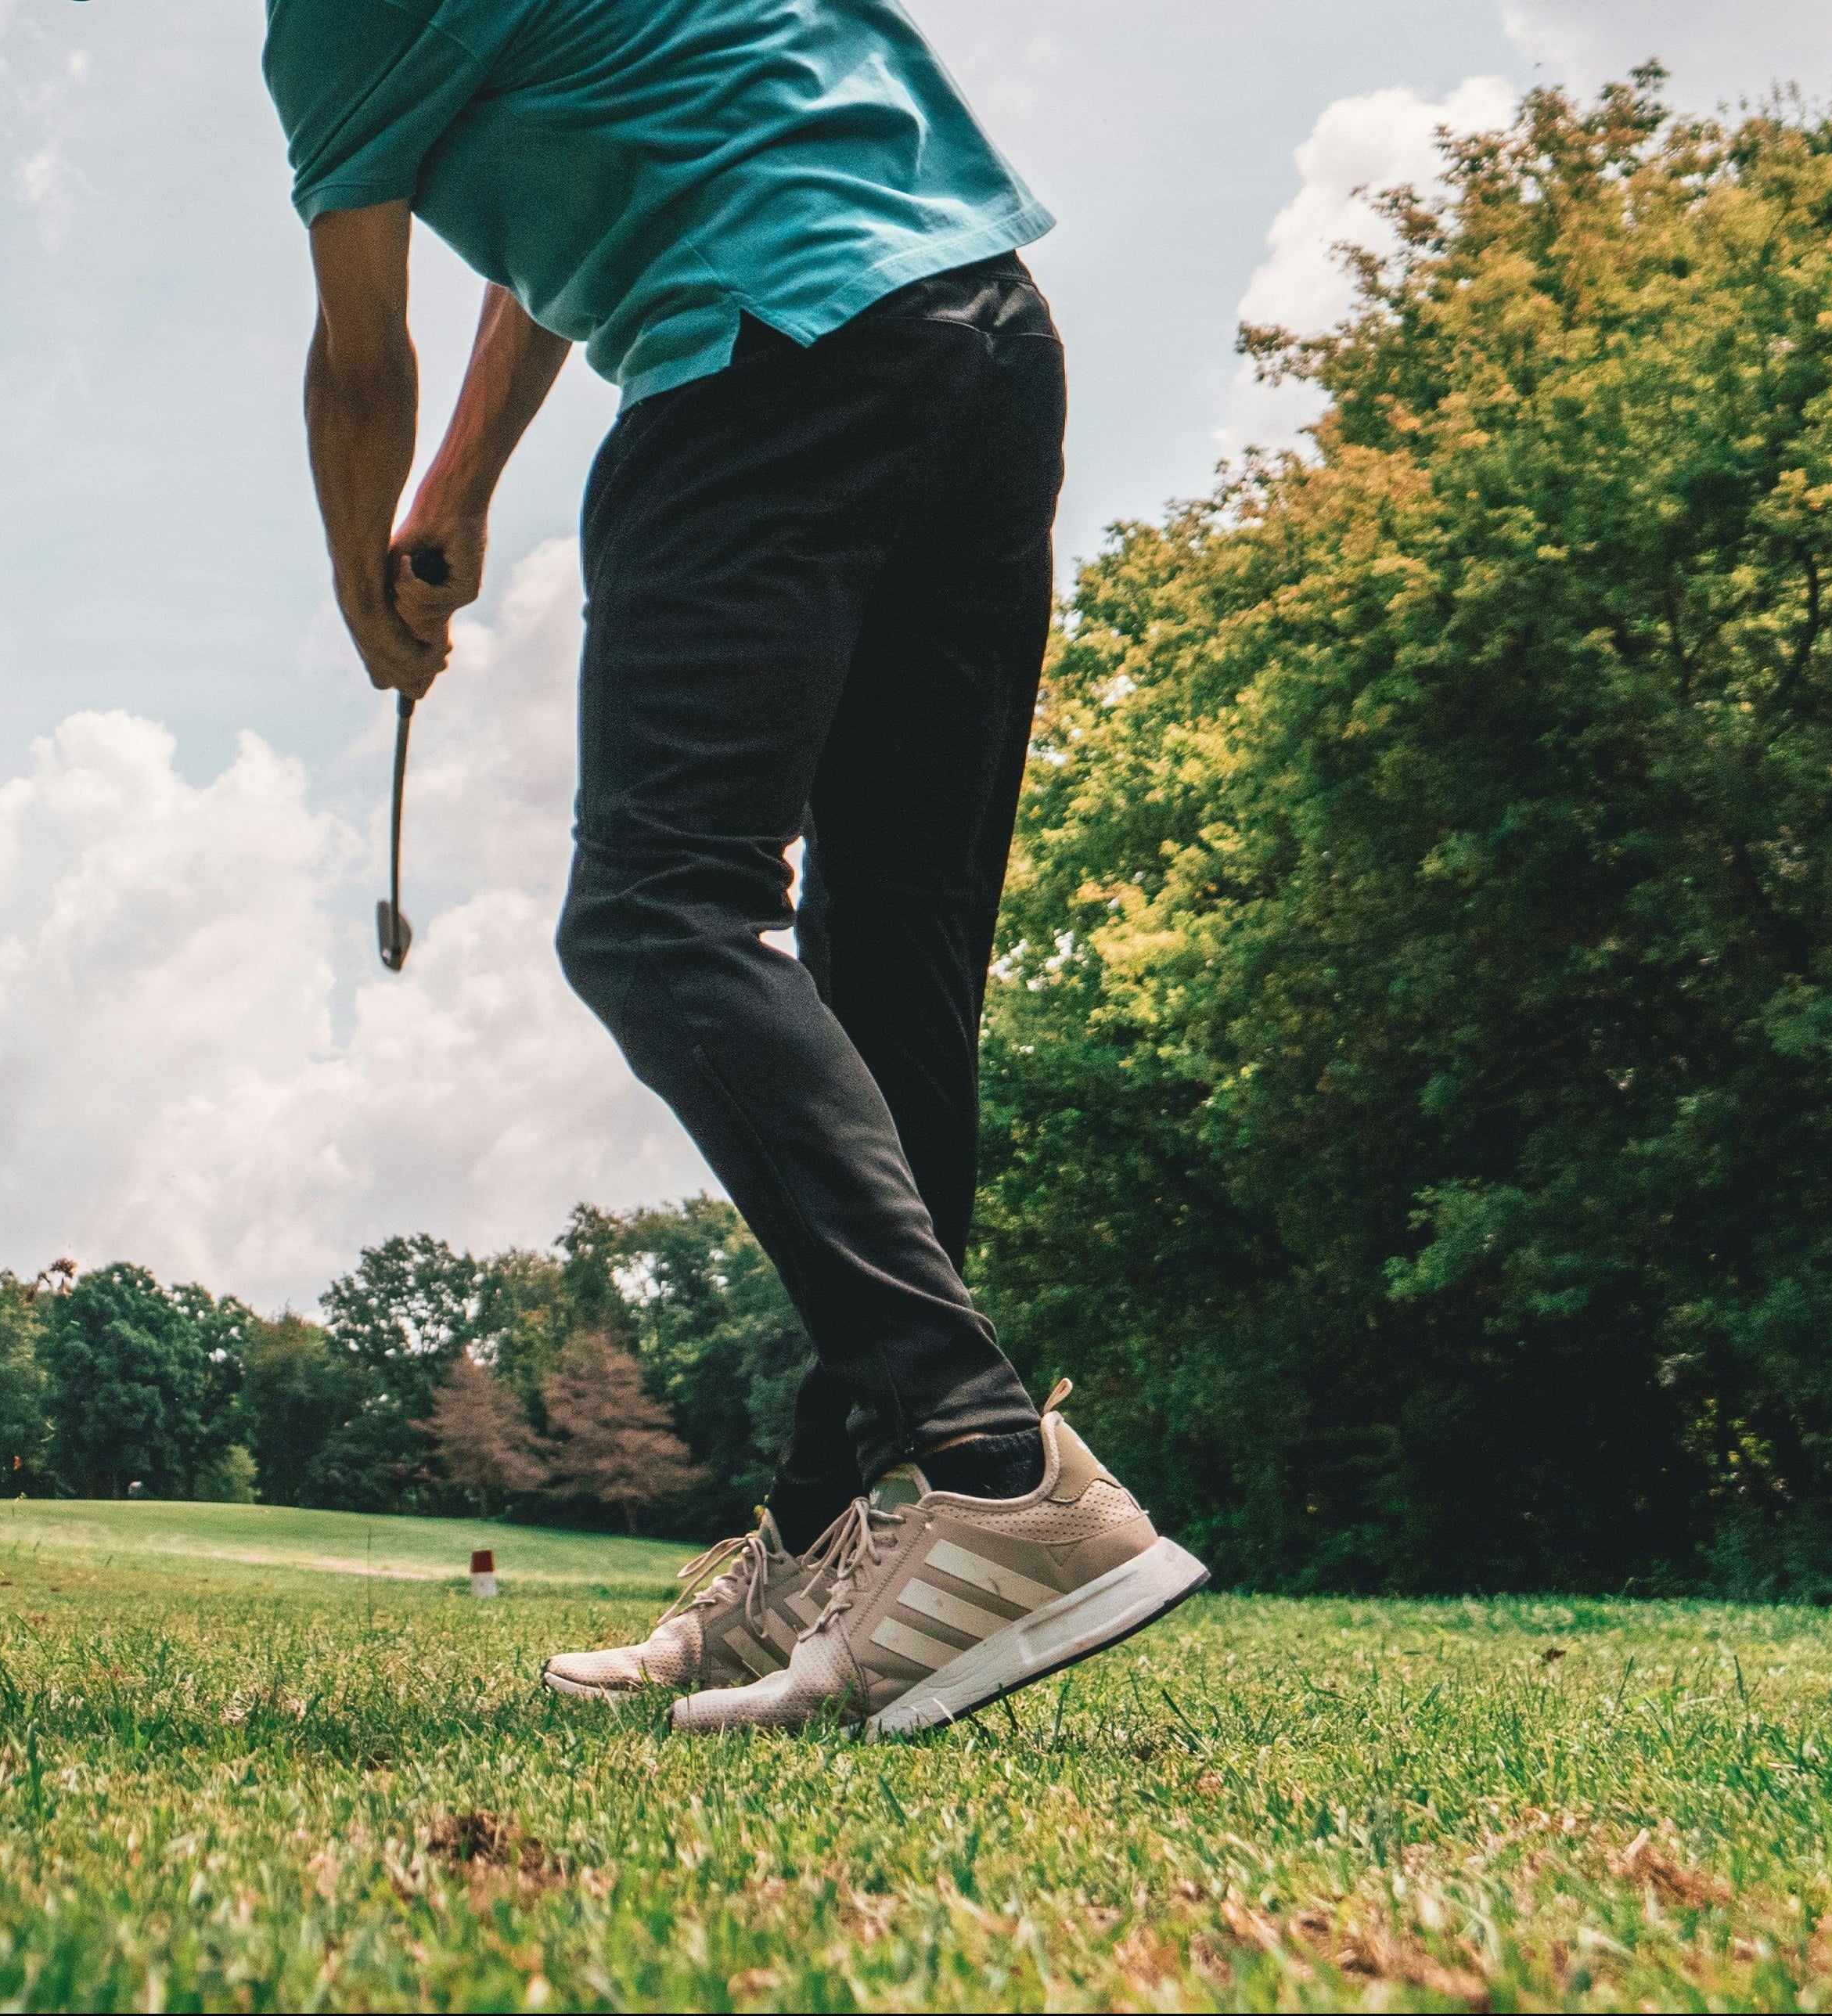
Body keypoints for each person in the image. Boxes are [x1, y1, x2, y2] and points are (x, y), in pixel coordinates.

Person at [261, 0, 1208, 1733]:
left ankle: (1000, 1467)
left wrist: (361, 593)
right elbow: (597, 167)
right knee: (890, 983)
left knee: (653, 913)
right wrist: (465, 483)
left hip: (769, 357)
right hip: (974, 332)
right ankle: (829, 1549)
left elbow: (357, 353)